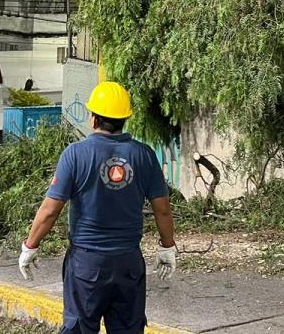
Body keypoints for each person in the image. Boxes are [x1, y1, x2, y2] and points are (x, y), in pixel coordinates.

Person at [19, 81, 177, 334]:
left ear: (93, 118)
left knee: (80, 329)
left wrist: (31, 245)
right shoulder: (144, 155)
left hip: (86, 265)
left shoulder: (75, 154)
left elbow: (50, 210)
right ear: (125, 119)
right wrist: (167, 246)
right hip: (128, 263)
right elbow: (163, 209)